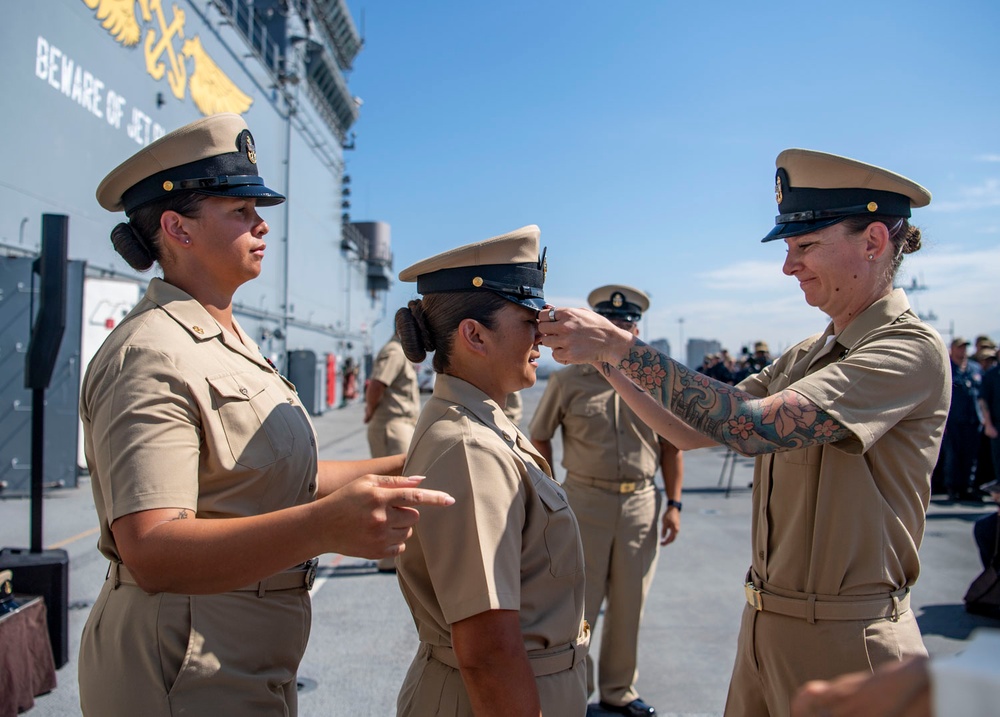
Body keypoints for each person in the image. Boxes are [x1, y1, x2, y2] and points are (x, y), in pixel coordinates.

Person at [537, 148, 950, 717]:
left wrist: (620, 346)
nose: (789, 266)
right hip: (766, 626)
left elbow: (750, 427)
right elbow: (688, 431)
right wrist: (608, 361)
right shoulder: (809, 354)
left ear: (874, 240)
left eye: (805, 246)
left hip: (849, 641)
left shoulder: (908, 350)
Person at [78, 114, 454, 717]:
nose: (262, 224)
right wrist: (323, 528)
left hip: (240, 649)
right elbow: (150, 548)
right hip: (184, 660)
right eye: (239, 210)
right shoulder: (149, 353)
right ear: (176, 227)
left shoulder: (222, 337)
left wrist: (426, 465)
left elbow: (274, 477)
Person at [393, 225, 589, 717]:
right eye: (530, 319)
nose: (543, 333)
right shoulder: (470, 448)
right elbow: (488, 652)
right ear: (475, 335)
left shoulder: (486, 422)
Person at [530, 284, 683, 717]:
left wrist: (674, 503)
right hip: (585, 502)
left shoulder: (654, 379)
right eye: (610, 323)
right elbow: (540, 434)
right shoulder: (567, 380)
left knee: (631, 602)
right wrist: (552, 493)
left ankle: (619, 692)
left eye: (626, 324)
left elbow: (672, 447)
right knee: (580, 606)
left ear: (636, 328)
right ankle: (574, 693)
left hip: (640, 504)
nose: (619, 330)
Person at [365, 333, 421, 572]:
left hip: (401, 424)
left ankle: (396, 555)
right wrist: (370, 410)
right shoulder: (395, 352)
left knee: (402, 492)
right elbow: (377, 384)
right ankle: (389, 557)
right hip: (392, 425)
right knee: (395, 493)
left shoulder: (400, 352)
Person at [939, 338, 983, 501]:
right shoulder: (947, 366)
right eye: (960, 347)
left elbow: (981, 395)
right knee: (953, 455)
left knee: (970, 456)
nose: (963, 351)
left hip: (972, 420)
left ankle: (967, 486)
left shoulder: (974, 368)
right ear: (952, 349)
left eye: (965, 348)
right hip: (953, 420)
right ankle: (952, 487)